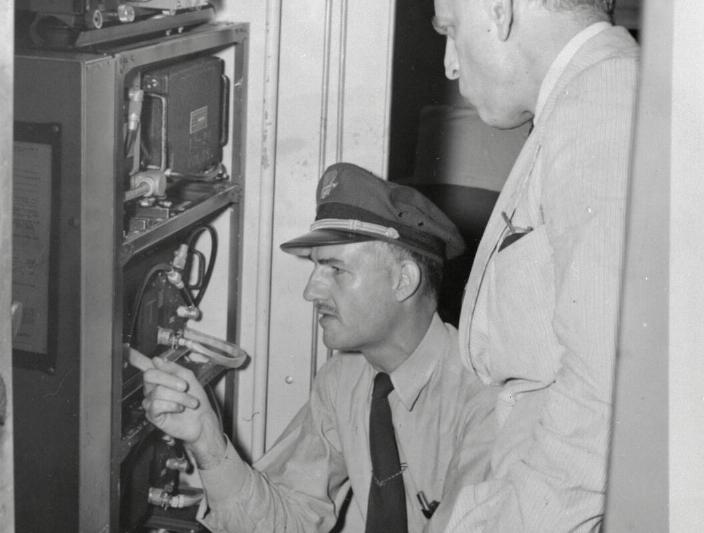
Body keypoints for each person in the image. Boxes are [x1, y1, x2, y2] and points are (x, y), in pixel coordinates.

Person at [141, 162, 498, 532]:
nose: (310, 291)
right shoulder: (345, 380)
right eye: (315, 268)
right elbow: (287, 519)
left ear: (404, 280)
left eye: (336, 270)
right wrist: (206, 440)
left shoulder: (486, 399)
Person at [429, 0, 639, 530]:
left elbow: (605, 384)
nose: (450, 63)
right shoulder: (584, 97)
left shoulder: (603, 98)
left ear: (497, 11)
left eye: (451, 30)